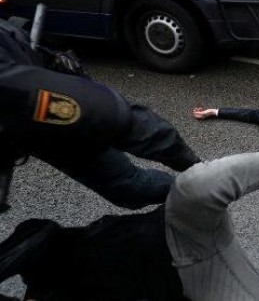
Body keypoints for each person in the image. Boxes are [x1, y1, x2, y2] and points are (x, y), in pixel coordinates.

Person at [0, 117, 259, 301]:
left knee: (196, 182)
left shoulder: (40, 260)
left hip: (177, 230)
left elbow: (35, 235)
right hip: (197, 284)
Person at [0, 18, 201, 211]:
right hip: (19, 125)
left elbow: (109, 115)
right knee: (129, 188)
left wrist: (199, 169)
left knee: (130, 186)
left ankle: (197, 194)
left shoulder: (14, 89)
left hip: (32, 107)